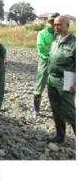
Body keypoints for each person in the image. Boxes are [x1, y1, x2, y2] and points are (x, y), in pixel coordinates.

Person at [47, 15, 76, 143]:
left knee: (70, 112)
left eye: (60, 24)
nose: (57, 26)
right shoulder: (55, 41)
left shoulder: (74, 43)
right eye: (55, 24)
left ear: (67, 26)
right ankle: (60, 136)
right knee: (56, 110)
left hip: (67, 80)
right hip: (52, 79)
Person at [33, 13, 60, 118]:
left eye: (55, 22)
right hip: (45, 62)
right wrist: (52, 56)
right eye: (51, 22)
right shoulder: (42, 33)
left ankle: (58, 109)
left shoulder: (60, 33)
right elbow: (41, 48)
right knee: (40, 85)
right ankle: (36, 109)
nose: (53, 24)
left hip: (58, 63)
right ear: (48, 22)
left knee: (58, 86)